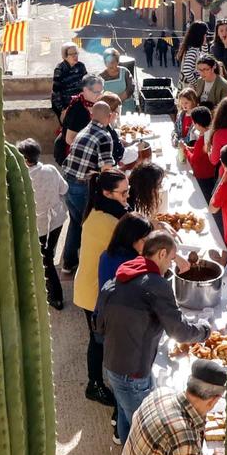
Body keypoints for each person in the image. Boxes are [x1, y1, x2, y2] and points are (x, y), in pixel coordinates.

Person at [98, 231, 209, 444]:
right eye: (170, 258)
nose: (170, 265)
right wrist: (203, 331)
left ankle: (123, 447)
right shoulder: (156, 285)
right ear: (161, 254)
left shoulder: (125, 273)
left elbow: (101, 322)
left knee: (124, 412)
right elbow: (179, 331)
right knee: (145, 431)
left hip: (113, 362)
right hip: (132, 370)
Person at [73, 169, 132, 404]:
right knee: (97, 340)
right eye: (124, 192)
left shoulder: (103, 209)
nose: (127, 196)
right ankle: (94, 384)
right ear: (107, 192)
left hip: (94, 286)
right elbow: (133, 245)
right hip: (93, 292)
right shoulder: (105, 221)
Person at [62, 95, 138, 271]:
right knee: (90, 226)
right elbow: (107, 169)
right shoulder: (104, 135)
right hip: (81, 186)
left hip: (68, 183)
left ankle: (69, 261)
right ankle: (89, 266)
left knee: (75, 222)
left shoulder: (84, 130)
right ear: (109, 116)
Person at [20, 140, 67, 310]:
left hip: (39, 226)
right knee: (47, 254)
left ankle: (56, 297)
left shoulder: (21, 179)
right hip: (57, 220)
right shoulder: (51, 169)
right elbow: (64, 189)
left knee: (45, 258)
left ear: (24, 159)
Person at [51, 43, 89, 115]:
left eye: (76, 53)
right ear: (65, 56)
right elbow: (56, 92)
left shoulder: (81, 66)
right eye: (72, 54)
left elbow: (87, 83)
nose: (75, 56)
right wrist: (63, 110)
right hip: (67, 105)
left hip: (80, 102)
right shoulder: (60, 69)